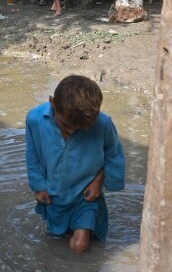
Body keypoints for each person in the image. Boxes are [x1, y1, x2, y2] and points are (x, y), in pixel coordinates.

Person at [25, 75, 125, 253]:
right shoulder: (35, 120)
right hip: (53, 194)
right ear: (52, 102)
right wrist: (39, 186)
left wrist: (99, 181)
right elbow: (32, 155)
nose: (71, 131)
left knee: (79, 244)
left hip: (85, 194)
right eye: (66, 125)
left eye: (79, 130)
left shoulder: (103, 124)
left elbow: (113, 155)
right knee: (56, 236)